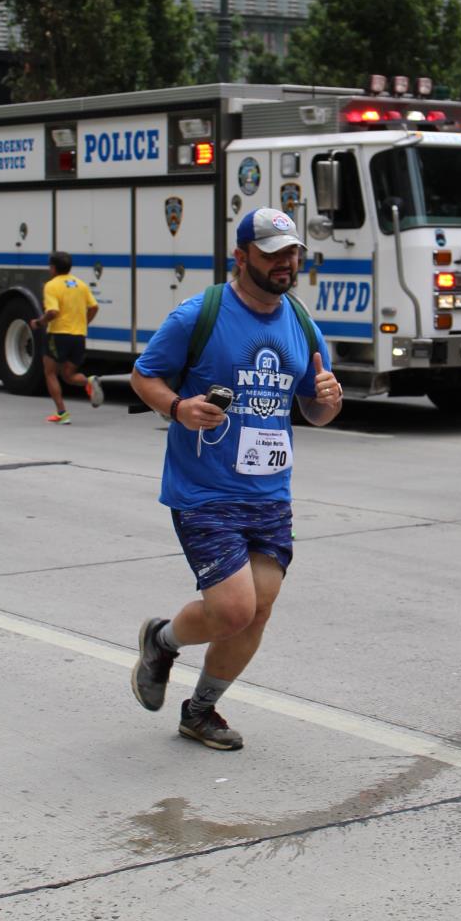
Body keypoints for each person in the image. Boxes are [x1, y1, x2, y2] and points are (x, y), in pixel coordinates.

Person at [128, 206, 343, 751]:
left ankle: (200, 711)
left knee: (257, 611)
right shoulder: (198, 314)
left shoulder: (301, 323)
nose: (284, 264)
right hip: (205, 490)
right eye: (272, 255)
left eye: (291, 254)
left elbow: (315, 411)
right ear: (241, 257)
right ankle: (162, 641)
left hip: (270, 492)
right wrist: (178, 408)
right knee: (232, 609)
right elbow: (144, 376)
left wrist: (329, 400)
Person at [29, 250, 104, 423]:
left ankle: (62, 413)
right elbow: (94, 307)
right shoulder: (80, 284)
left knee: (50, 373)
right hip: (78, 336)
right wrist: (84, 323)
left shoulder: (52, 285)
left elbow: (53, 312)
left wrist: (39, 322)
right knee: (68, 375)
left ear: (53, 268)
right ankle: (89, 381)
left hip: (58, 334)